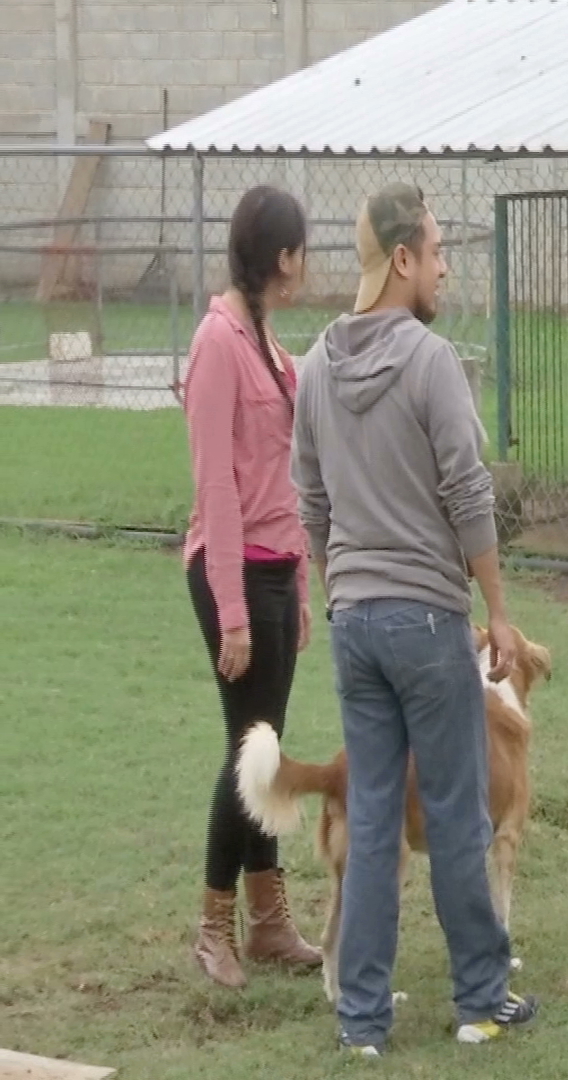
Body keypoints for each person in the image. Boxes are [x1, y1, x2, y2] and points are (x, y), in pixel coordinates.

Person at [290, 181, 537, 1056]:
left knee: (371, 821)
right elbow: (468, 492)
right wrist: (496, 610)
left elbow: (310, 498)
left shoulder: (315, 367)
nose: (443, 269)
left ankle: (362, 1020)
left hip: (355, 623)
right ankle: (481, 999)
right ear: (401, 260)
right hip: (429, 622)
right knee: (460, 813)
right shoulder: (432, 363)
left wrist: (339, 589)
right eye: (435, 253)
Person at [181, 184, 323, 988]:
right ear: (282, 257)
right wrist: (233, 612)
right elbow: (218, 488)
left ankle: (268, 921)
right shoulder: (218, 341)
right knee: (249, 751)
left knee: (264, 746)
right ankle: (214, 926)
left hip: (275, 570)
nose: (306, 266)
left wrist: (298, 585)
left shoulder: (269, 343)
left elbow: (283, 481)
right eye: (301, 252)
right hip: (231, 574)